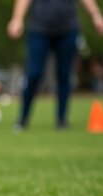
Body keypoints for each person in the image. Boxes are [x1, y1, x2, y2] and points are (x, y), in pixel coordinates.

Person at [8, 0, 103, 131]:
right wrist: (17, 19)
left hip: (68, 28)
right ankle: (22, 119)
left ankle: (62, 120)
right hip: (38, 28)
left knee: (64, 75)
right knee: (34, 74)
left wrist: (96, 15)